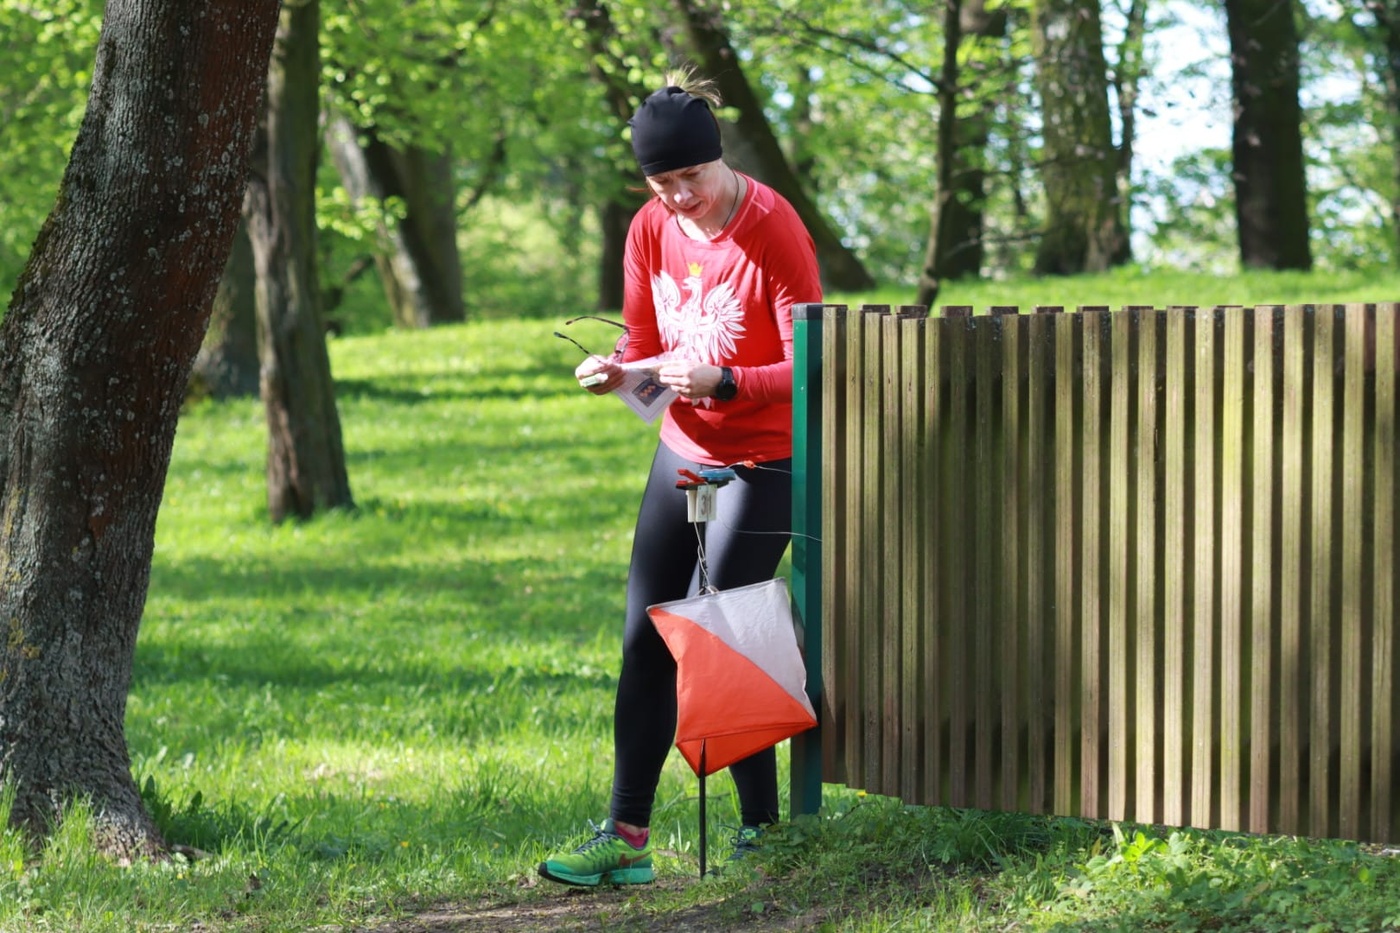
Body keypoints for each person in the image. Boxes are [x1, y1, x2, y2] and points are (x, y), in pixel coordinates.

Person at [537, 70, 823, 888]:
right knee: (645, 634)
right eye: (662, 184)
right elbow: (646, 335)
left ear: (718, 158)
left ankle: (765, 832)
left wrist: (727, 381)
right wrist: (615, 368)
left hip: (768, 456)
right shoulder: (649, 228)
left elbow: (810, 361)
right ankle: (627, 837)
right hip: (682, 446)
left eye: (690, 178)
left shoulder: (772, 229)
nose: (678, 197)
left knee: (723, 630)